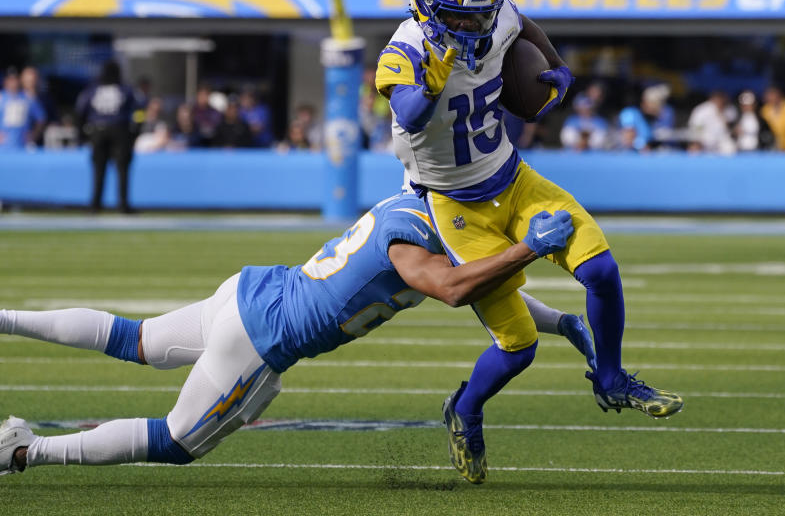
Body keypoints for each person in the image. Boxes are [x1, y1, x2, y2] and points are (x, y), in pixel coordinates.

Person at [375, 0, 682, 485]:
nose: (473, 30)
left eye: (480, 17)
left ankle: (610, 377)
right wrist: (431, 82)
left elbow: (522, 24)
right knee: (518, 348)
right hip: (457, 206)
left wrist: (558, 65)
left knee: (602, 271)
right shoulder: (405, 51)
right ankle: (465, 409)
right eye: (458, 20)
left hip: (514, 179)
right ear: (424, 6)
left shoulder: (493, 15)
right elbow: (409, 114)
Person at [0, 194, 587, 478]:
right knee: (177, 443)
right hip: (263, 337)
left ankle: (7, 318)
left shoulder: (419, 207)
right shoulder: (421, 242)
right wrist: (529, 246)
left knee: (139, 339)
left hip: (256, 289)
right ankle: (25, 451)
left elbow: (481, 287)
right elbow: (458, 287)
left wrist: (560, 321)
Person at [75, 61, 143, 214]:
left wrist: (82, 133)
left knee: (99, 170)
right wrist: (136, 130)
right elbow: (139, 110)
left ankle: (95, 205)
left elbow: (80, 111)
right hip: (120, 130)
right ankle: (123, 205)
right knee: (123, 170)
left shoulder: (93, 90)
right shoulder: (125, 89)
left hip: (97, 131)